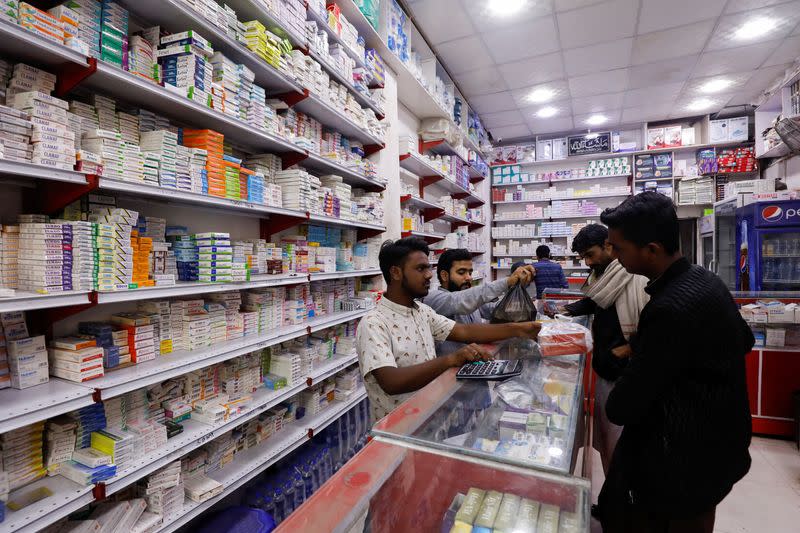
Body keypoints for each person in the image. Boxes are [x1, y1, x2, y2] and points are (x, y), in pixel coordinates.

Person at [597, 193, 753, 533]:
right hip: (718, 449)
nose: (613, 255)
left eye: (618, 248)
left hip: (682, 461)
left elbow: (623, 406)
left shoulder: (668, 307)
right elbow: (745, 339)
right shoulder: (706, 280)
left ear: (651, 249)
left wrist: (642, 353)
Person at [356, 238, 541, 422]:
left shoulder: (422, 312)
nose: (429, 275)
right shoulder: (373, 323)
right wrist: (451, 359)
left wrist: (519, 329)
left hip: (428, 418)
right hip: (395, 431)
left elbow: (465, 331)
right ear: (396, 273)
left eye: (428, 268)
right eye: (421, 269)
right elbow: (391, 382)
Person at [561, 224, 649, 478]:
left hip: (626, 374)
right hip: (606, 369)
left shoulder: (634, 277)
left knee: (623, 446)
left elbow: (656, 324)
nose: (587, 263)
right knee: (608, 442)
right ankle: (613, 499)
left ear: (608, 246)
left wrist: (628, 349)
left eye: (590, 255)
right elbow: (596, 301)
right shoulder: (605, 277)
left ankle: (623, 507)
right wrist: (568, 310)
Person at [423, 248, 535, 355]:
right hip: (450, 372)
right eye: (461, 273)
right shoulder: (433, 299)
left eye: (470, 273)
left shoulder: (471, 299)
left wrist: (519, 296)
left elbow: (496, 309)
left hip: (474, 365)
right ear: (444, 275)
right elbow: (460, 301)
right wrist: (507, 282)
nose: (469, 278)